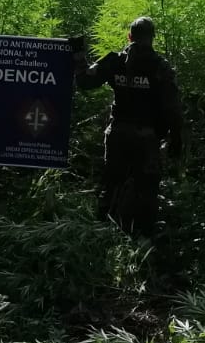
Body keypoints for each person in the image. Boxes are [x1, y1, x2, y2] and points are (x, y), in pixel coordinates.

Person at [73, 17, 184, 236]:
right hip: (147, 137)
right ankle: (144, 236)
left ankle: (104, 232)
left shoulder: (115, 61)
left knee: (112, 181)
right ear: (152, 38)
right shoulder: (160, 66)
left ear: (129, 36)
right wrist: (176, 139)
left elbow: (85, 82)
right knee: (147, 186)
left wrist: (77, 55)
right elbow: (172, 108)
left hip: (118, 133)